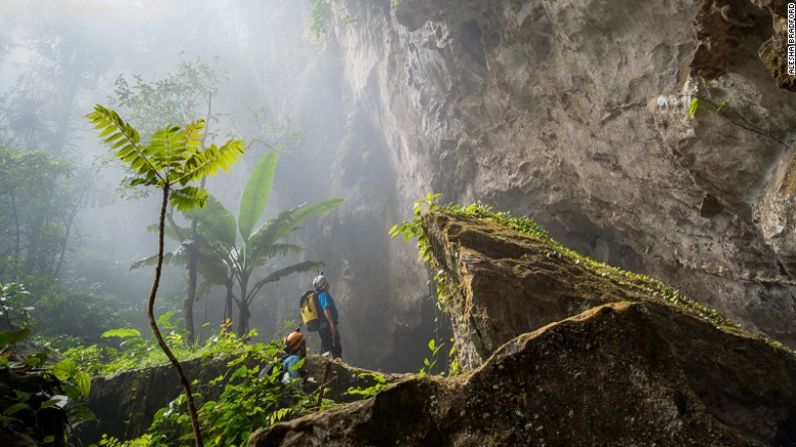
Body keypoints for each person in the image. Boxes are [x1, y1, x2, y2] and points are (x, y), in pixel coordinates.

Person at [313, 272, 342, 359]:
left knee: (330, 347)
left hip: (324, 327)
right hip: (327, 327)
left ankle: (335, 365)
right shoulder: (323, 295)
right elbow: (326, 309)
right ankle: (329, 367)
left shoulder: (319, 295)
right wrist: (332, 325)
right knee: (330, 349)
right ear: (325, 284)